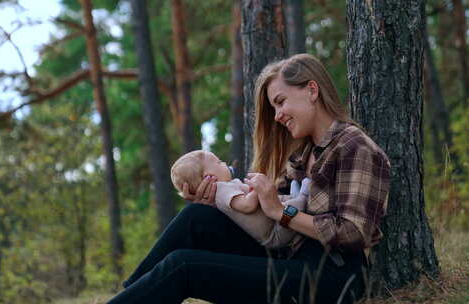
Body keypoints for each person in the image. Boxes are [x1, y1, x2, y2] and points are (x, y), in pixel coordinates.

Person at [108, 53, 391, 304]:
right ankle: (129, 294)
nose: (278, 116)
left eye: (280, 102)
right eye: (274, 108)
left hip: (332, 277)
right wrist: (217, 197)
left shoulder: (355, 147)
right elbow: (261, 212)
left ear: (312, 90)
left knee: (184, 267)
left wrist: (283, 212)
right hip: (288, 256)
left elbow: (355, 232)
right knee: (195, 217)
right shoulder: (303, 154)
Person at [169, 149, 312, 249]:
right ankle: (303, 196)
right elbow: (248, 205)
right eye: (219, 162)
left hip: (275, 223)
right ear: (209, 176)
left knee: (280, 200)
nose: (224, 164)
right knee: (294, 206)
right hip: (275, 234)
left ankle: (294, 196)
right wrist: (256, 189)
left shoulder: (228, 187)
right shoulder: (221, 191)